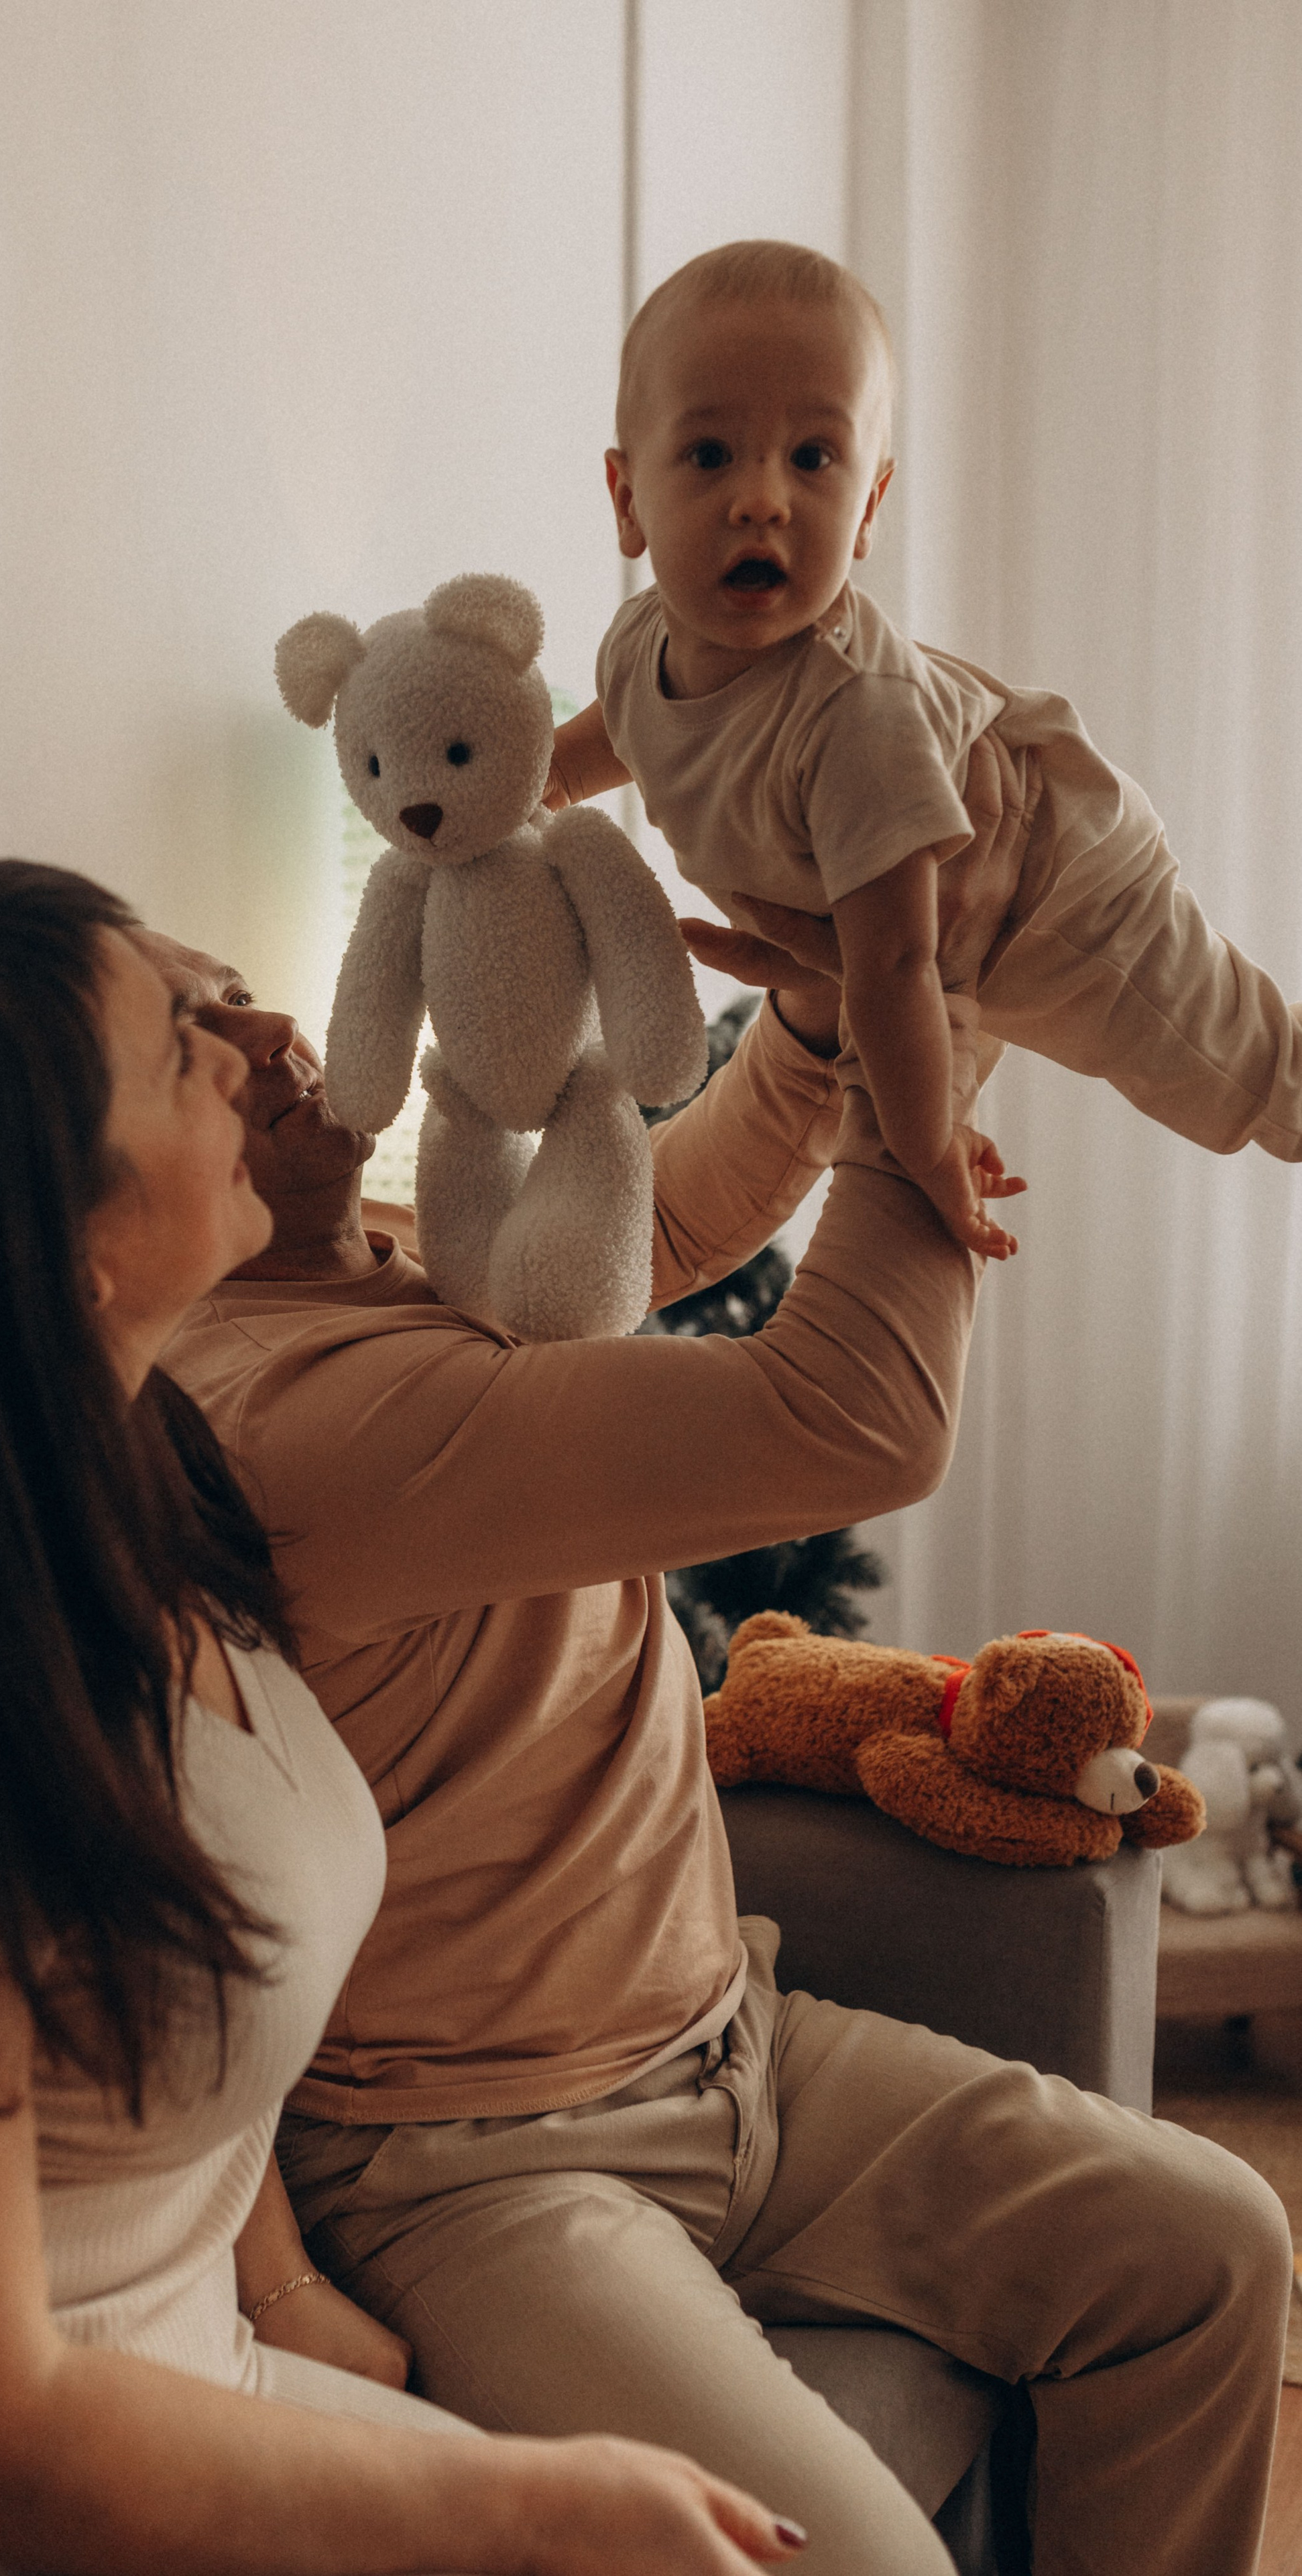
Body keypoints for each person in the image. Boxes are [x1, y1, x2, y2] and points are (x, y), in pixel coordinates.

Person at [0, 860, 808, 2576]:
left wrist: (280, 2290)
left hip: (172, 2376)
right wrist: (527, 2501)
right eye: (181, 1037)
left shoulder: (127, 1472)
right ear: (56, 1246)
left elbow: (172, 1977)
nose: (258, 1043)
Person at [156, 763, 1293, 2576]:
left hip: (732, 2043)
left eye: (235, 981)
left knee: (1208, 2249)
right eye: (192, 1033)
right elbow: (852, 1417)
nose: (271, 1021)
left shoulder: (373, 1262)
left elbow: (658, 1229)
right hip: (482, 2165)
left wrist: (839, 1024)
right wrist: (939, 1021)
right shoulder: (283, 1421)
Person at [546, 236, 1302, 1257]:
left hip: (1059, 893)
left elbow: (900, 967)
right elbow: (614, 738)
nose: (763, 495)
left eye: (814, 458)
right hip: (926, 916)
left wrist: (931, 1144)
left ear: (868, 509)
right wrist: (528, 787)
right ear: (628, 498)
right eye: (712, 453)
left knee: (1246, 1069)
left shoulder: (853, 717)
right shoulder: (638, 647)